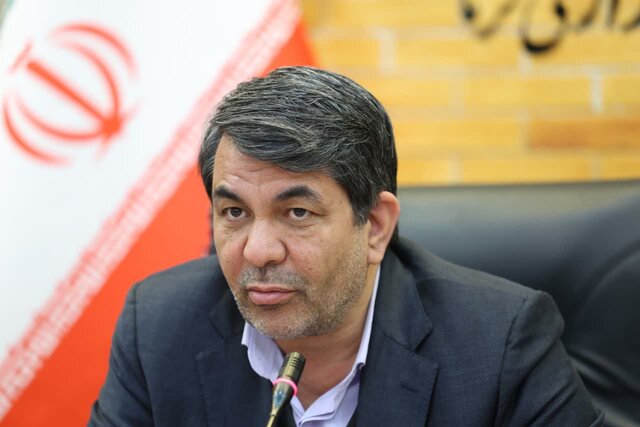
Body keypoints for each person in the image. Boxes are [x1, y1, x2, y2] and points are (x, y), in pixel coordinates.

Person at [89, 66, 602, 426]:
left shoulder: (500, 345)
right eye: (235, 213)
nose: (258, 252)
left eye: (297, 213)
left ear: (375, 226)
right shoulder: (157, 325)